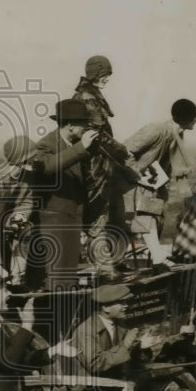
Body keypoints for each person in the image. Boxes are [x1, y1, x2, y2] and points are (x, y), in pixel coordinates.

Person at [30, 99, 100, 341]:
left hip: (70, 226)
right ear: (70, 125)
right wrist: (81, 148)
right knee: (53, 288)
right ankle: (46, 342)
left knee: (64, 287)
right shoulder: (47, 144)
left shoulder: (73, 144)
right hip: (53, 227)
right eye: (83, 125)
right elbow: (46, 168)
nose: (85, 129)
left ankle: (57, 338)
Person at [123, 99, 196, 270]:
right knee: (141, 217)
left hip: (147, 183)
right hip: (130, 182)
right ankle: (157, 258)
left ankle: (152, 258)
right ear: (186, 119)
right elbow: (125, 150)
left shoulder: (176, 135)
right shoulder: (157, 130)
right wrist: (136, 172)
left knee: (145, 218)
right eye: (195, 117)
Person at [72, 55, 130, 264]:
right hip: (96, 165)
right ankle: (102, 267)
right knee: (98, 212)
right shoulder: (88, 97)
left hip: (101, 163)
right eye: (105, 74)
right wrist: (121, 150)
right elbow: (97, 133)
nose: (107, 79)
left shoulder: (89, 95)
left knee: (102, 212)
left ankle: (105, 263)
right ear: (96, 73)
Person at [0, 135, 39, 286]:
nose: (35, 162)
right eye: (32, 159)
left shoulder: (27, 179)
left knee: (28, 229)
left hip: (4, 232)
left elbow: (28, 200)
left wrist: (19, 216)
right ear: (22, 162)